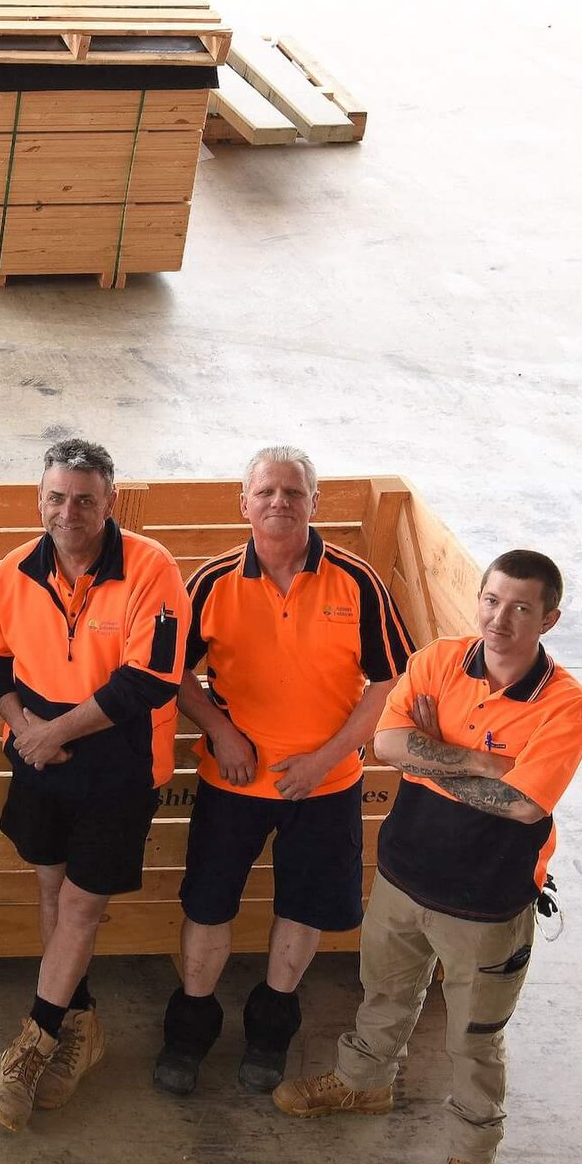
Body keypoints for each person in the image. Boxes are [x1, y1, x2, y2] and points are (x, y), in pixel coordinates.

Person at [276, 551, 582, 1164]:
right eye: (492, 599)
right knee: (385, 992)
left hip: (487, 901)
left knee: (475, 1037)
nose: (500, 619)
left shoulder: (566, 704)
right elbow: (388, 742)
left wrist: (429, 747)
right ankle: (362, 1084)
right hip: (404, 874)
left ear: (550, 618)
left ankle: (473, 1155)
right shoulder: (440, 659)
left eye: (521, 607)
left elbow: (524, 807)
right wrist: (478, 760)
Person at [156, 448, 412, 1096]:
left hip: (326, 787)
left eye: (293, 491)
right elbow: (170, 670)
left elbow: (390, 679)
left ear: (314, 503)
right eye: (265, 490)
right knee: (209, 905)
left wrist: (328, 757)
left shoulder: (357, 582)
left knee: (302, 907)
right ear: (243, 503)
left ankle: (271, 1029)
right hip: (230, 780)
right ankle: (190, 1028)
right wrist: (219, 729)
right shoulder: (212, 582)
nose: (279, 501)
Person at [0, 439, 191, 1133]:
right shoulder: (15, 569)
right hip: (38, 755)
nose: (69, 512)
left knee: (83, 905)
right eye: (57, 498)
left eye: (85, 499)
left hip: (117, 767)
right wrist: (22, 726)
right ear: (41, 499)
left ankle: (34, 1044)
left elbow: (148, 679)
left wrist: (55, 731)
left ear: (110, 502)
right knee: (50, 889)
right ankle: (79, 1024)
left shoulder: (152, 569)